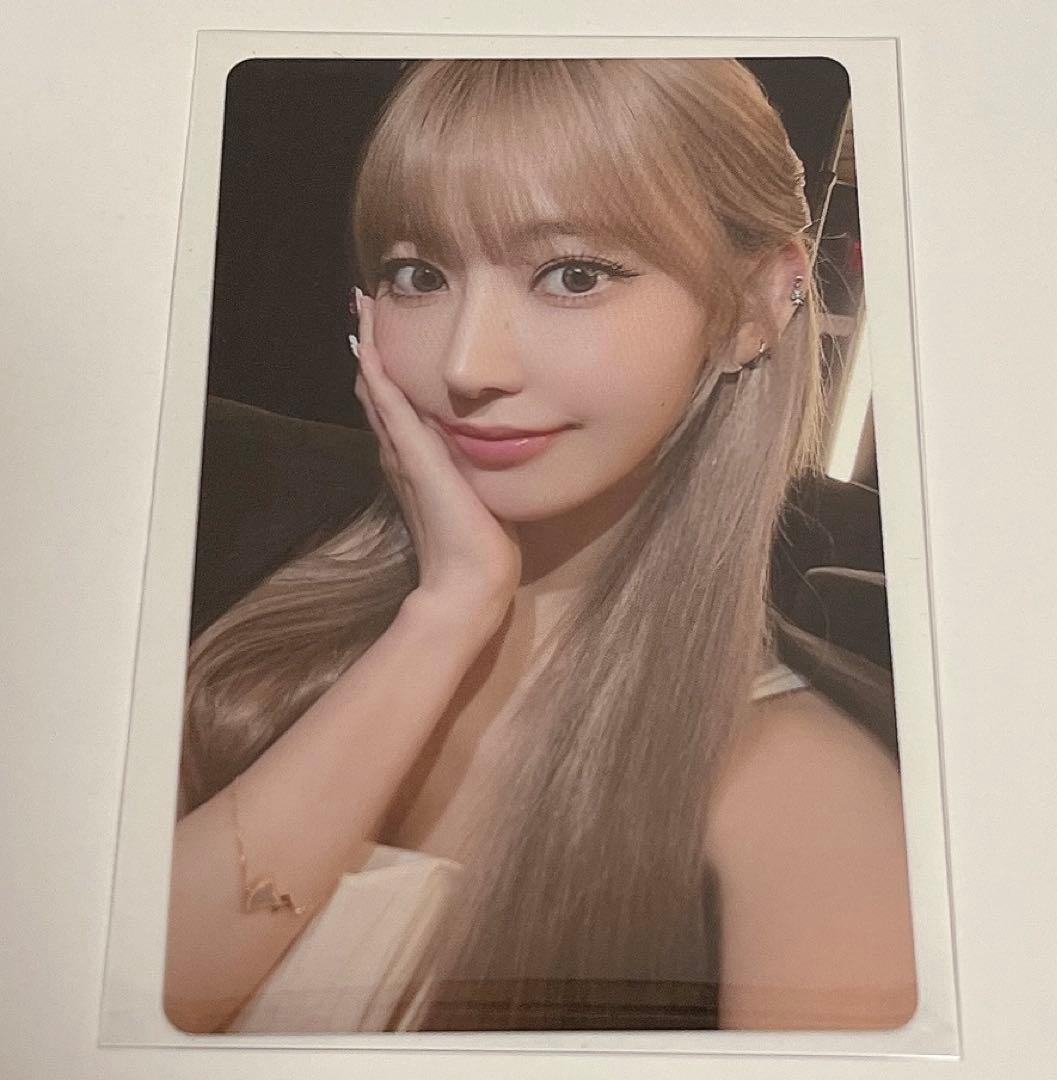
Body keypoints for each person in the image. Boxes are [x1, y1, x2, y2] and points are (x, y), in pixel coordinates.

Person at [164, 58, 917, 1034]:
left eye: (574, 275)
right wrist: (448, 610)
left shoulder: (812, 807)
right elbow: (120, 1005)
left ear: (754, 306)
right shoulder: (251, 602)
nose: (466, 365)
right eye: (418, 275)